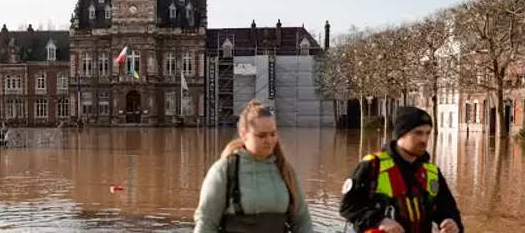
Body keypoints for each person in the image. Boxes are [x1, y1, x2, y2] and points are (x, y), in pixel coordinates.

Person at [193, 99, 313, 233]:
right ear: (244, 135)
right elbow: (207, 222)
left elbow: (302, 219)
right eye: (261, 136)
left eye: (273, 134)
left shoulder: (285, 170)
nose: (269, 140)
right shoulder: (224, 170)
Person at [339, 106, 464, 233]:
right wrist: (379, 220)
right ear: (401, 134)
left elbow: (449, 209)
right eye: (418, 133)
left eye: (428, 133)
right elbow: (348, 207)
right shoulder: (372, 166)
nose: (424, 140)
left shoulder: (432, 173)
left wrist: (452, 222)